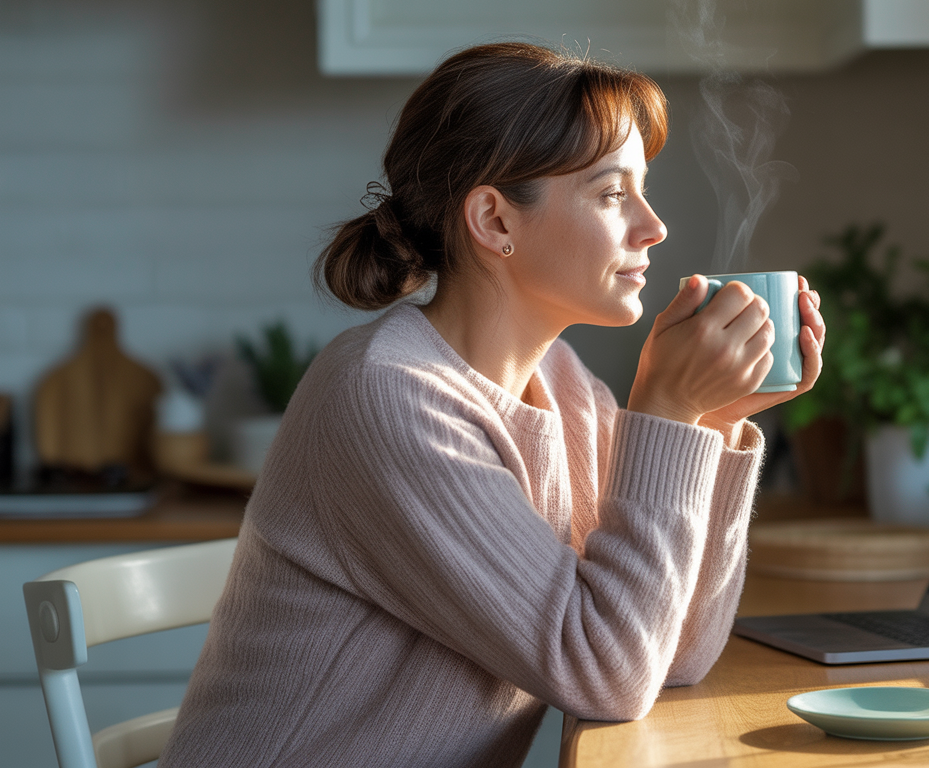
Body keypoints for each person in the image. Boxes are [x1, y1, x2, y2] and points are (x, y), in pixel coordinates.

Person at [159, 42, 825, 767]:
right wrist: (665, 410)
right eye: (612, 194)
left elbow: (671, 651)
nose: (652, 227)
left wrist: (713, 422)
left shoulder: (562, 384)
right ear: (496, 222)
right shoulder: (387, 395)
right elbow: (607, 675)